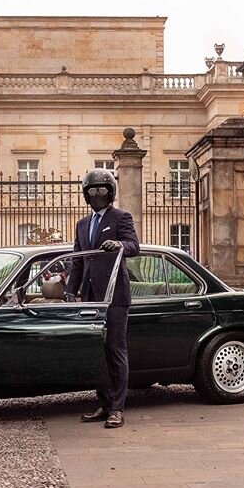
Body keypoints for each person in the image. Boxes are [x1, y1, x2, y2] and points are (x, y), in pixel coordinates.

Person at [66, 168, 140, 428]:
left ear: (110, 193)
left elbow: (134, 245)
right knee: (96, 353)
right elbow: (78, 261)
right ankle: (104, 402)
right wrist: (70, 291)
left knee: (116, 351)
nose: (97, 195)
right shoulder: (82, 224)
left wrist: (119, 245)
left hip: (115, 296)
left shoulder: (121, 217)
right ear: (86, 194)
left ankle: (118, 409)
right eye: (93, 190)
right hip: (90, 297)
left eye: (102, 190)